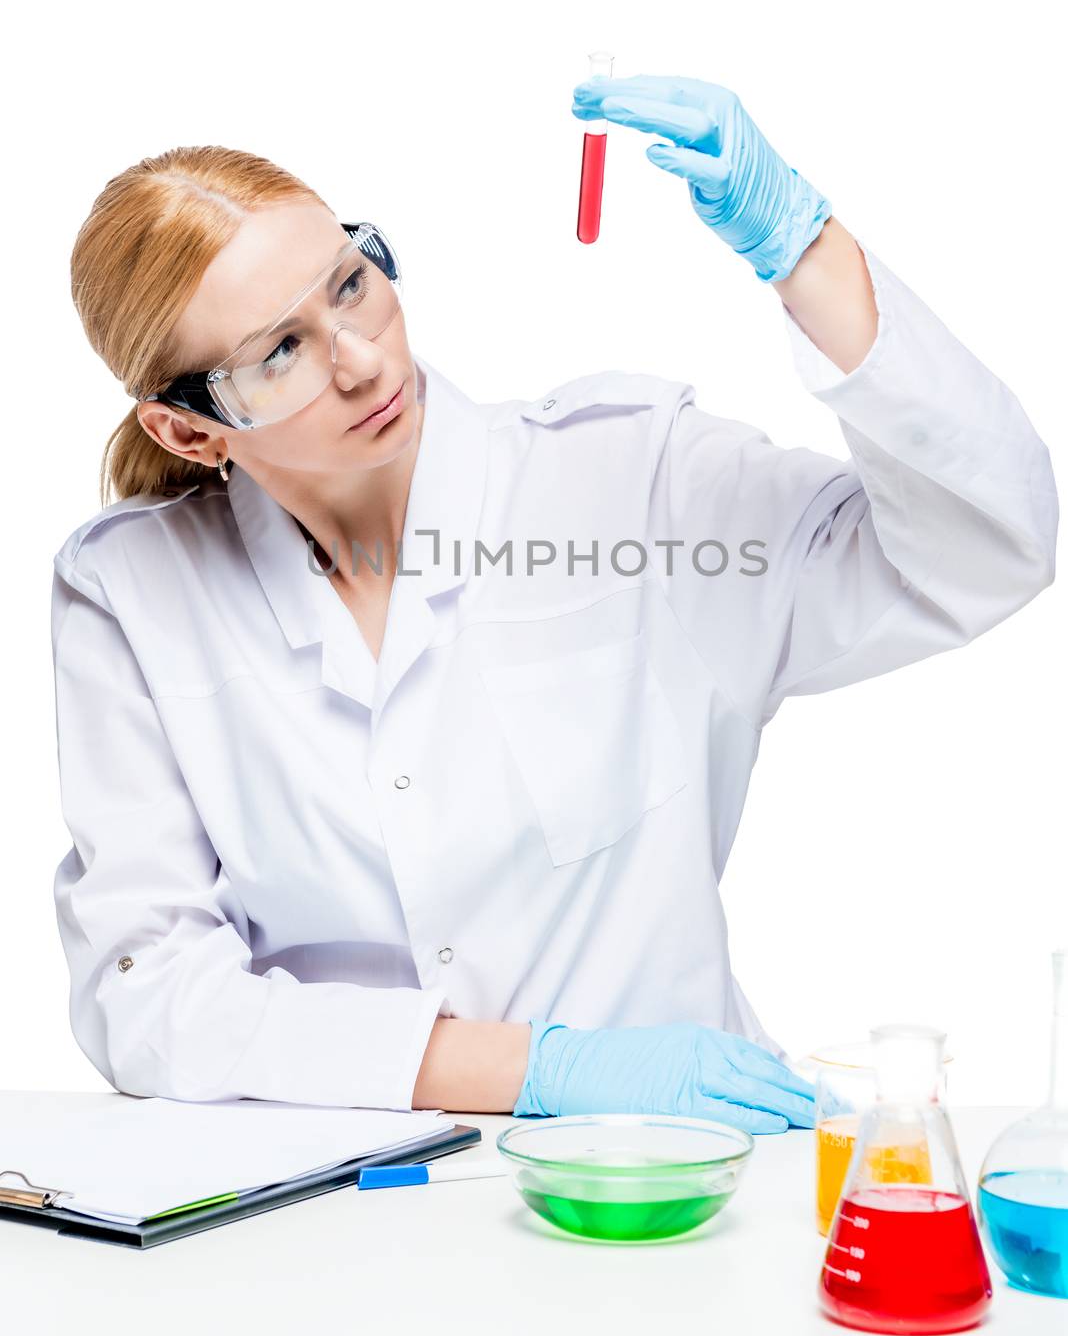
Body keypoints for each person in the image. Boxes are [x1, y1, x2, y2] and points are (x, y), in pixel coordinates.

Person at [50, 77, 1057, 1134]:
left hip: (677, 1179)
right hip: (341, 1215)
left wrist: (801, 250)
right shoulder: (131, 594)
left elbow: (987, 545)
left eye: (349, 285)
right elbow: (147, 995)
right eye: (281, 352)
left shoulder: (631, 476)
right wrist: (529, 1070)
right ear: (188, 431)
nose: (360, 360)